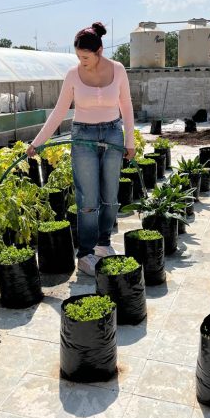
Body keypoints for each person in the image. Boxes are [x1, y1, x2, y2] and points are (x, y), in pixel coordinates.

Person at [27, 22, 135, 276]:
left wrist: (129, 141)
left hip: (112, 134)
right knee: (88, 199)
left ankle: (103, 244)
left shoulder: (118, 70)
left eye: (85, 57)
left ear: (99, 51)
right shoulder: (73, 75)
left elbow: (127, 106)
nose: (81, 61)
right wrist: (38, 142)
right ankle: (86, 253)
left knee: (110, 196)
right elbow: (59, 112)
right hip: (83, 136)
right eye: (78, 57)